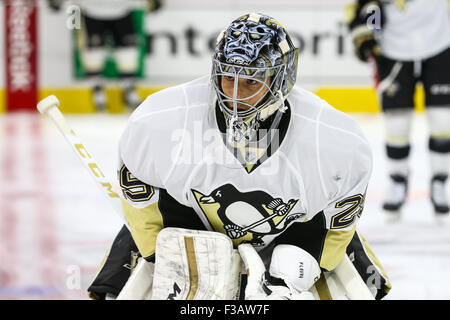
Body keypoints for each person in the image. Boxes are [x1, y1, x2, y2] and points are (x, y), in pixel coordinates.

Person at [88, 13, 390, 300]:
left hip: (293, 235)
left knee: (357, 289)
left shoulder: (334, 141)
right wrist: (167, 254)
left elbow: (336, 221)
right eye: (228, 78)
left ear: (280, 80)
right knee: (116, 289)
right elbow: (142, 197)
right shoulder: (160, 121)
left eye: (251, 82)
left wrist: (300, 266)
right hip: (187, 227)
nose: (235, 96)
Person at [346, 0, 450, 220]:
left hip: (441, 42)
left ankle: (440, 181)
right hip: (392, 48)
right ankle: (397, 181)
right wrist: (364, 31)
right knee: (397, 123)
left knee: (442, 119)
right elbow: (361, 6)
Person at [48, 0, 163, 110]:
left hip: (123, 8)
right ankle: (97, 90)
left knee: (128, 50)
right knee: (93, 51)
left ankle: (129, 89)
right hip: (91, 9)